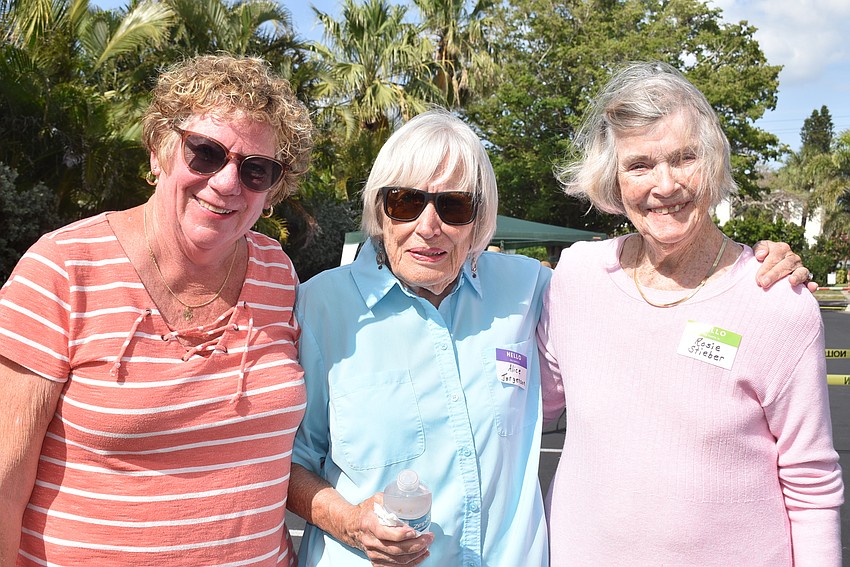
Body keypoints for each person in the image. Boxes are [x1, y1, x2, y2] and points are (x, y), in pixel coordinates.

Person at [286, 108, 811, 567]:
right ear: (379, 209)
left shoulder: (529, 288)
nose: (429, 227)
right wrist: (351, 521)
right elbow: (282, 461)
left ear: (480, 219)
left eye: (454, 207)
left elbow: (643, 276)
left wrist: (745, 263)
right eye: (405, 202)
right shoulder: (322, 306)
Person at [0, 54, 313, 565]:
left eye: (256, 169)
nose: (228, 183)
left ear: (272, 189)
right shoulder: (63, 269)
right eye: (206, 153)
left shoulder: (278, 274)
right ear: (158, 152)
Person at [538, 61, 843, 565]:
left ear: (714, 162)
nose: (665, 184)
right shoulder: (576, 277)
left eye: (684, 158)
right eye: (639, 165)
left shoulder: (777, 302)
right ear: (613, 180)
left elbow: (811, 485)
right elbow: (519, 413)